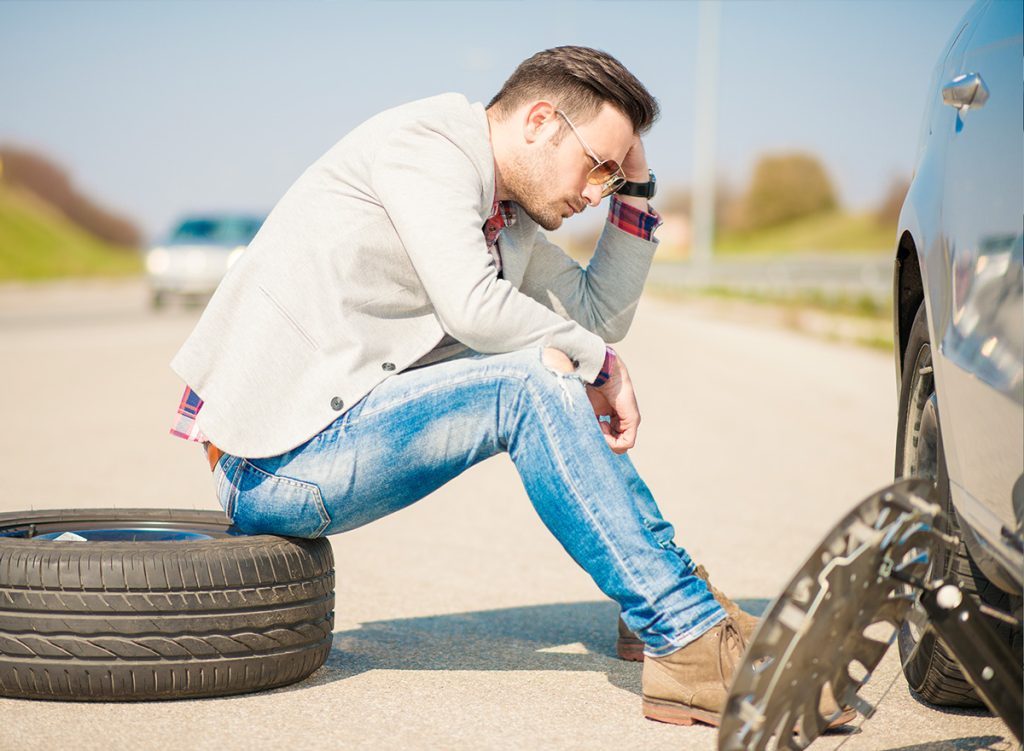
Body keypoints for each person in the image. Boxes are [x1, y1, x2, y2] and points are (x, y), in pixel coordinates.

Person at [169, 46, 846, 728]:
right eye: (598, 167)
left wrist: (636, 193)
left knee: (548, 365)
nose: (593, 193)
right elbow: (475, 306)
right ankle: (685, 632)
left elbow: (598, 314)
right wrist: (600, 365)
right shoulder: (427, 148)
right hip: (272, 461)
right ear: (541, 121)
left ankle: (682, 614)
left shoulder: (508, 217)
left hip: (335, 435)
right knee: (530, 382)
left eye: (612, 178)